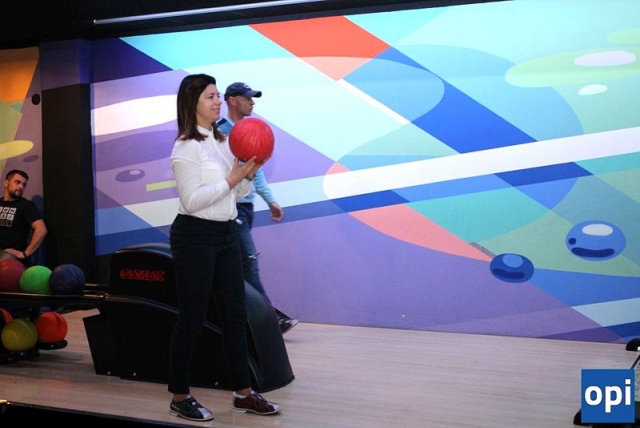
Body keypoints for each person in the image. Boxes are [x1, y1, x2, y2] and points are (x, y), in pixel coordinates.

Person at [168, 73, 281, 421]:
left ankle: (243, 393)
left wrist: (247, 175)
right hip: (194, 236)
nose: (218, 101)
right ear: (192, 103)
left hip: (226, 233)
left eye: (218, 95)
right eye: (210, 96)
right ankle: (180, 395)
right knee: (192, 317)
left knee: (234, 316)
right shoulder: (186, 147)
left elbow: (237, 194)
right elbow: (192, 200)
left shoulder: (223, 141)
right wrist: (232, 178)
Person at [218, 82, 299, 334]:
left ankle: (242, 320)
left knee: (238, 268)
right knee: (248, 264)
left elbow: (256, 170)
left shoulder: (249, 132)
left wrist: (270, 200)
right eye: (247, 98)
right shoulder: (219, 134)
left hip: (246, 208)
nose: (252, 102)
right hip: (230, 209)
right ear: (232, 100)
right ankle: (271, 320)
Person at [0, 169, 47, 266]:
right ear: (6, 183)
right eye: (17, 182)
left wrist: (25, 253)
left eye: (24, 184)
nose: (21, 187)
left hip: (8, 254)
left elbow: (41, 230)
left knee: (6, 260)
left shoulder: (26, 206)